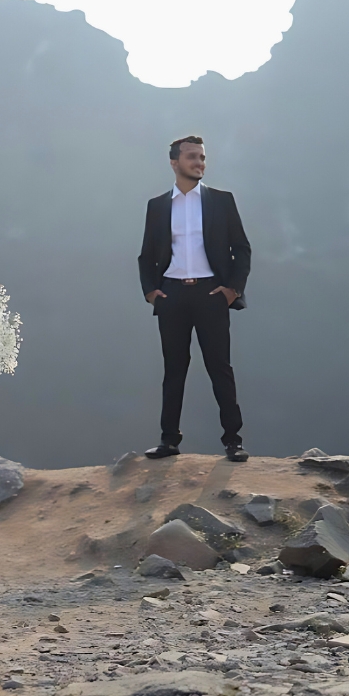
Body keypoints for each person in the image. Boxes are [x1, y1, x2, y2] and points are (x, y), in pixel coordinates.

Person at [136, 136, 252, 462]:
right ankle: (169, 440)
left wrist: (233, 290)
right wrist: (151, 293)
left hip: (211, 294)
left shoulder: (221, 201)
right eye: (192, 157)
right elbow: (146, 255)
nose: (199, 162)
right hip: (171, 294)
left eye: (202, 157)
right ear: (174, 163)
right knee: (174, 369)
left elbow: (241, 248)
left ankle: (234, 441)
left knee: (220, 368)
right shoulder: (158, 206)